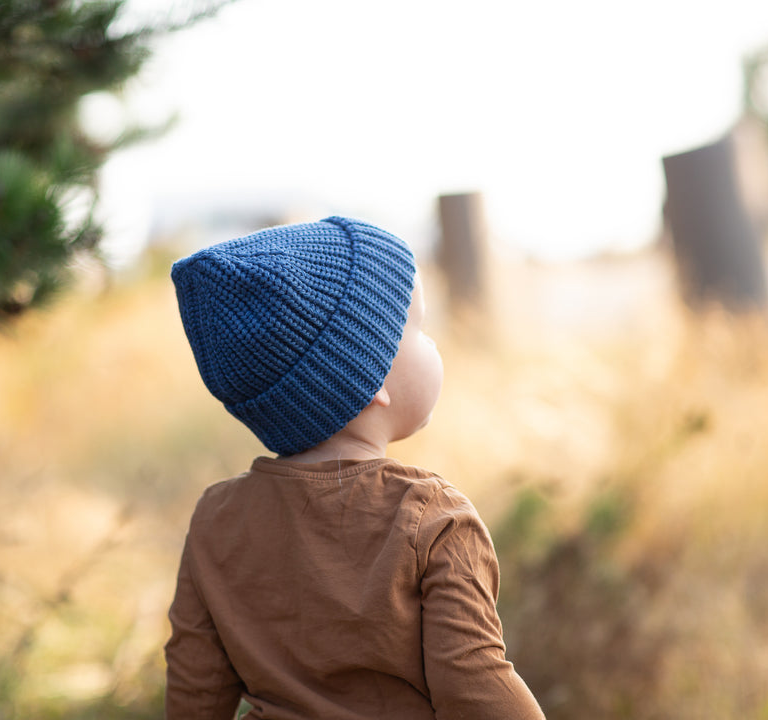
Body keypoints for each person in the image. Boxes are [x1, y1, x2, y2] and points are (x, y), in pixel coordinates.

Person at [165, 216, 545, 720]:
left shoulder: (215, 517)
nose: (432, 345)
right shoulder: (433, 519)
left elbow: (195, 689)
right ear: (369, 378)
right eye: (419, 329)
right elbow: (475, 686)